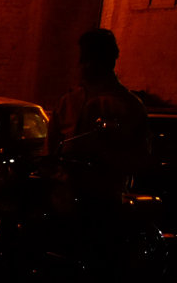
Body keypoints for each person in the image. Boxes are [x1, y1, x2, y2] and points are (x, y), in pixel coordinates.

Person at [49, 28, 150, 191]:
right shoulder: (68, 102)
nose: (82, 65)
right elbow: (51, 150)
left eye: (88, 59)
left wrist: (103, 158)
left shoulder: (128, 106)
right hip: (63, 196)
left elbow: (140, 158)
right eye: (83, 59)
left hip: (102, 197)